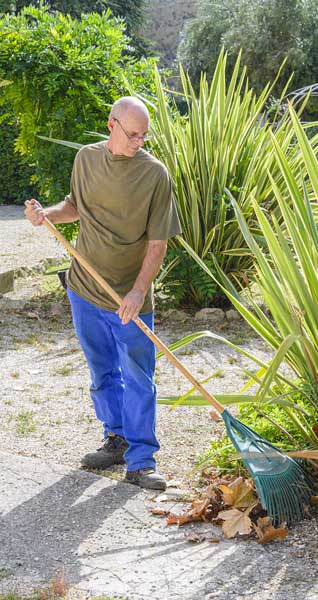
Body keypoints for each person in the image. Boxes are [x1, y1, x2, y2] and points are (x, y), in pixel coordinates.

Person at [25, 96, 181, 491]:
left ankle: (142, 460)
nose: (138, 142)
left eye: (144, 136)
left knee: (139, 377)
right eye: (132, 134)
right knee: (101, 371)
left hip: (129, 298)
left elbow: (158, 244)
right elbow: (75, 206)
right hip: (84, 289)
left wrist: (137, 291)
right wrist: (47, 215)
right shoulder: (86, 160)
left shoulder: (155, 175)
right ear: (112, 125)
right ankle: (116, 438)